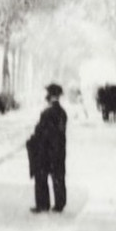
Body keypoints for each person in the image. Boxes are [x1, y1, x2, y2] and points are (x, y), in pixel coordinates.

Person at [27, 83, 68, 213]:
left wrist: (33, 141)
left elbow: (40, 132)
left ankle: (43, 204)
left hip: (45, 150)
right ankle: (59, 204)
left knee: (41, 176)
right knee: (58, 176)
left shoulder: (46, 113)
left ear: (50, 96)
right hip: (59, 150)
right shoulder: (62, 113)